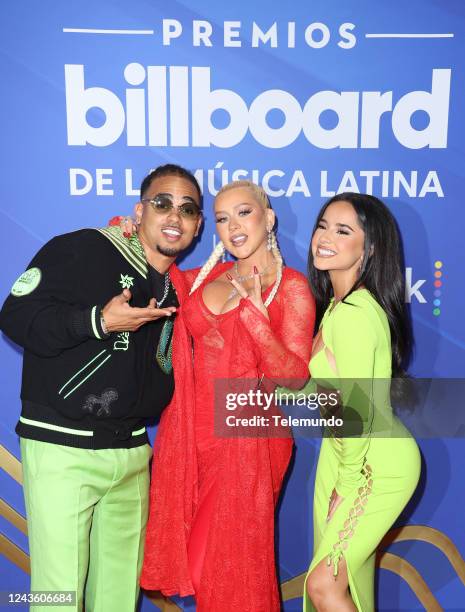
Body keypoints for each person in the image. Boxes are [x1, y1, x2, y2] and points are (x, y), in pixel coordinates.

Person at [0, 164, 202, 611]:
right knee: (58, 596)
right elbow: (14, 315)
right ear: (139, 209)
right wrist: (99, 321)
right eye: (162, 203)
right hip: (63, 449)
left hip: (132, 454)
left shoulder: (177, 289)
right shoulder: (84, 248)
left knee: (117, 600)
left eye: (187, 209)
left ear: (197, 226)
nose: (174, 215)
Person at [136, 180, 316, 611]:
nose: (232, 226)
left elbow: (294, 376)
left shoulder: (290, 285)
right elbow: (163, 280)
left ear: (268, 218)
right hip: (193, 443)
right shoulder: (210, 276)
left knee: (218, 570)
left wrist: (255, 317)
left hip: (248, 440)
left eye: (244, 212)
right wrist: (131, 233)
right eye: (221, 218)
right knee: (203, 574)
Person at [304, 193, 421, 611]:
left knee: (325, 586)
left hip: (373, 464)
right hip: (348, 455)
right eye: (322, 225)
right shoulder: (339, 307)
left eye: (343, 230)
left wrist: (348, 481)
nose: (325, 237)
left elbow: (354, 410)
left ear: (369, 248)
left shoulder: (353, 313)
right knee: (345, 585)